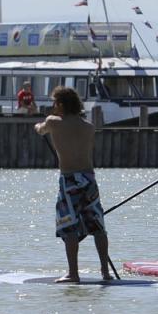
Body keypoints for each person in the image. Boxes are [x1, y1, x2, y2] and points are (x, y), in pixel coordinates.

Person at [34, 86, 112, 283]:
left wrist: (38, 126)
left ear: (60, 104)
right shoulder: (89, 127)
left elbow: (41, 129)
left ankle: (73, 274)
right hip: (89, 179)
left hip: (69, 180)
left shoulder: (53, 122)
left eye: (54, 103)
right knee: (97, 226)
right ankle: (105, 272)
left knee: (69, 227)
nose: (52, 107)